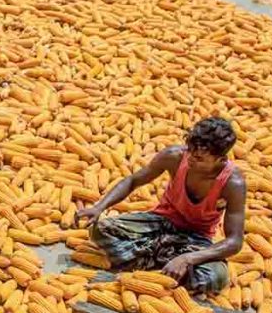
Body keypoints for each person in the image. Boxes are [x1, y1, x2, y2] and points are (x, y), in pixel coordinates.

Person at [75, 117, 246, 293]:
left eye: (199, 158)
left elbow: (234, 241)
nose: (190, 159)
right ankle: (161, 267)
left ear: (221, 160)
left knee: (216, 278)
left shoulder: (232, 184)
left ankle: (147, 262)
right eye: (190, 151)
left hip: (195, 238)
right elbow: (133, 181)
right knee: (100, 229)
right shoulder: (174, 157)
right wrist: (99, 207)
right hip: (160, 223)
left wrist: (189, 258)